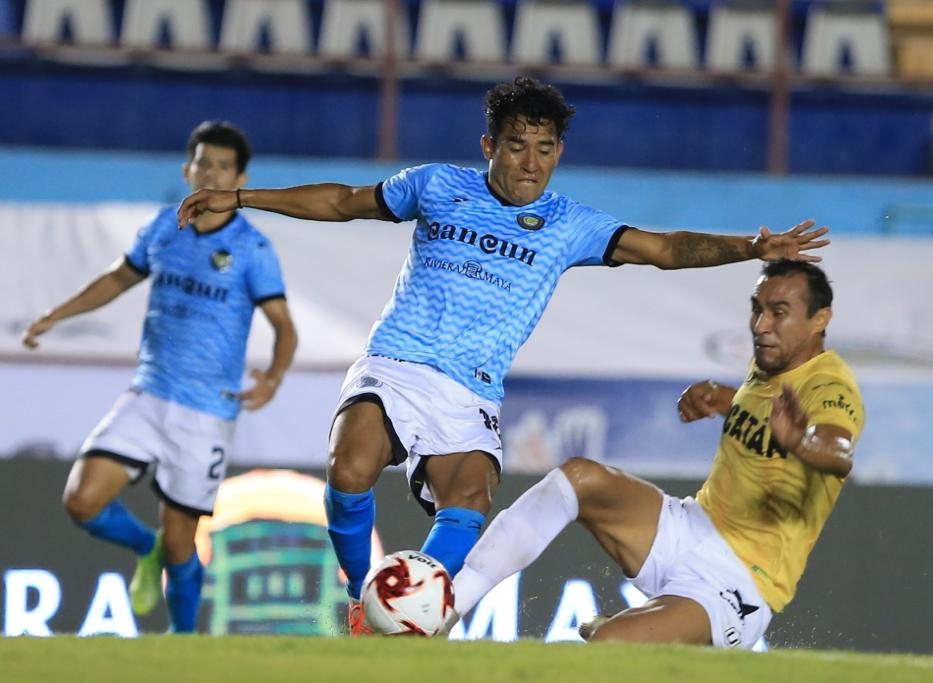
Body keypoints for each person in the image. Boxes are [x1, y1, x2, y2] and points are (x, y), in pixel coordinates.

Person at [175, 77, 829, 636]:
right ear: (489, 145)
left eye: (545, 150)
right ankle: (360, 595)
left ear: (559, 153)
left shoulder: (571, 224)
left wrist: (752, 245)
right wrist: (240, 197)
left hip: (471, 394)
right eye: (517, 146)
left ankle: (414, 616)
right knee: (349, 470)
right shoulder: (435, 185)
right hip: (396, 365)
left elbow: (664, 249)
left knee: (473, 498)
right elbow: (344, 202)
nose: (531, 163)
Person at [450, 259, 863, 647]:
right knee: (579, 478)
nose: (761, 325)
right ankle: (448, 607)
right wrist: (724, 401)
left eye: (778, 312)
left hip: (739, 581)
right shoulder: (772, 364)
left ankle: (656, 636)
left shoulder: (830, 385)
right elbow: (762, 421)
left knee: (613, 647)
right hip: (690, 528)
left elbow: (839, 450)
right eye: (757, 310)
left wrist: (801, 441)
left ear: (819, 320)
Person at [22, 121, 298, 633]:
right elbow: (117, 278)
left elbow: (284, 326)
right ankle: (143, 547)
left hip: (206, 412)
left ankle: (183, 643)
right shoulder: (161, 228)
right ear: (186, 169)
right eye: (203, 163)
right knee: (81, 501)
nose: (210, 172)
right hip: (148, 394)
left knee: (181, 542)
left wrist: (274, 376)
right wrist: (56, 315)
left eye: (222, 165)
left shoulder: (252, 248)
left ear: (239, 176)